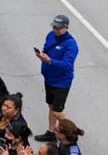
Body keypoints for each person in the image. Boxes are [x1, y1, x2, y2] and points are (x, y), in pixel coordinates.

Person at [33, 15, 79, 143]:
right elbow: (46, 48)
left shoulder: (71, 45)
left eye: (58, 28)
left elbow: (67, 65)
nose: (55, 30)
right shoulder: (50, 35)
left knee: (58, 111)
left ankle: (72, 134)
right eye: (54, 27)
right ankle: (51, 132)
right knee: (51, 107)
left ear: (66, 28)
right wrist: (42, 55)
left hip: (61, 82)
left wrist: (49, 61)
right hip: (49, 79)